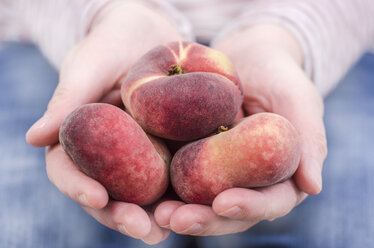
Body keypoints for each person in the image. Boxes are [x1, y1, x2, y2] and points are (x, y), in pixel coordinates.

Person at [0, 0, 373, 247]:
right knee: (25, 225)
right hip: (60, 36)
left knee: (347, 227)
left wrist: (285, 37)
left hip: (317, 42)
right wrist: (108, 14)